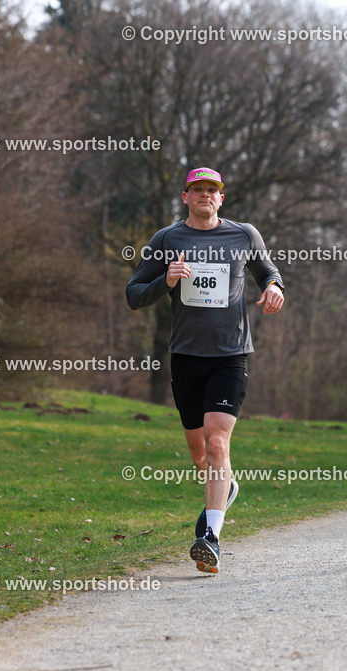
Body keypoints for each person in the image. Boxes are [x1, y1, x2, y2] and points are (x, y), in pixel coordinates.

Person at [126, 167, 285, 574]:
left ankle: (211, 537)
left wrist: (273, 287)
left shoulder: (243, 234)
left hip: (230, 354)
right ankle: (225, 487)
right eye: (197, 189)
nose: (205, 195)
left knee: (218, 444)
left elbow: (268, 271)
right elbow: (134, 294)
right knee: (200, 454)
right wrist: (167, 279)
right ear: (185, 196)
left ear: (221, 198)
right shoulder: (167, 239)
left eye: (211, 190)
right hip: (186, 357)